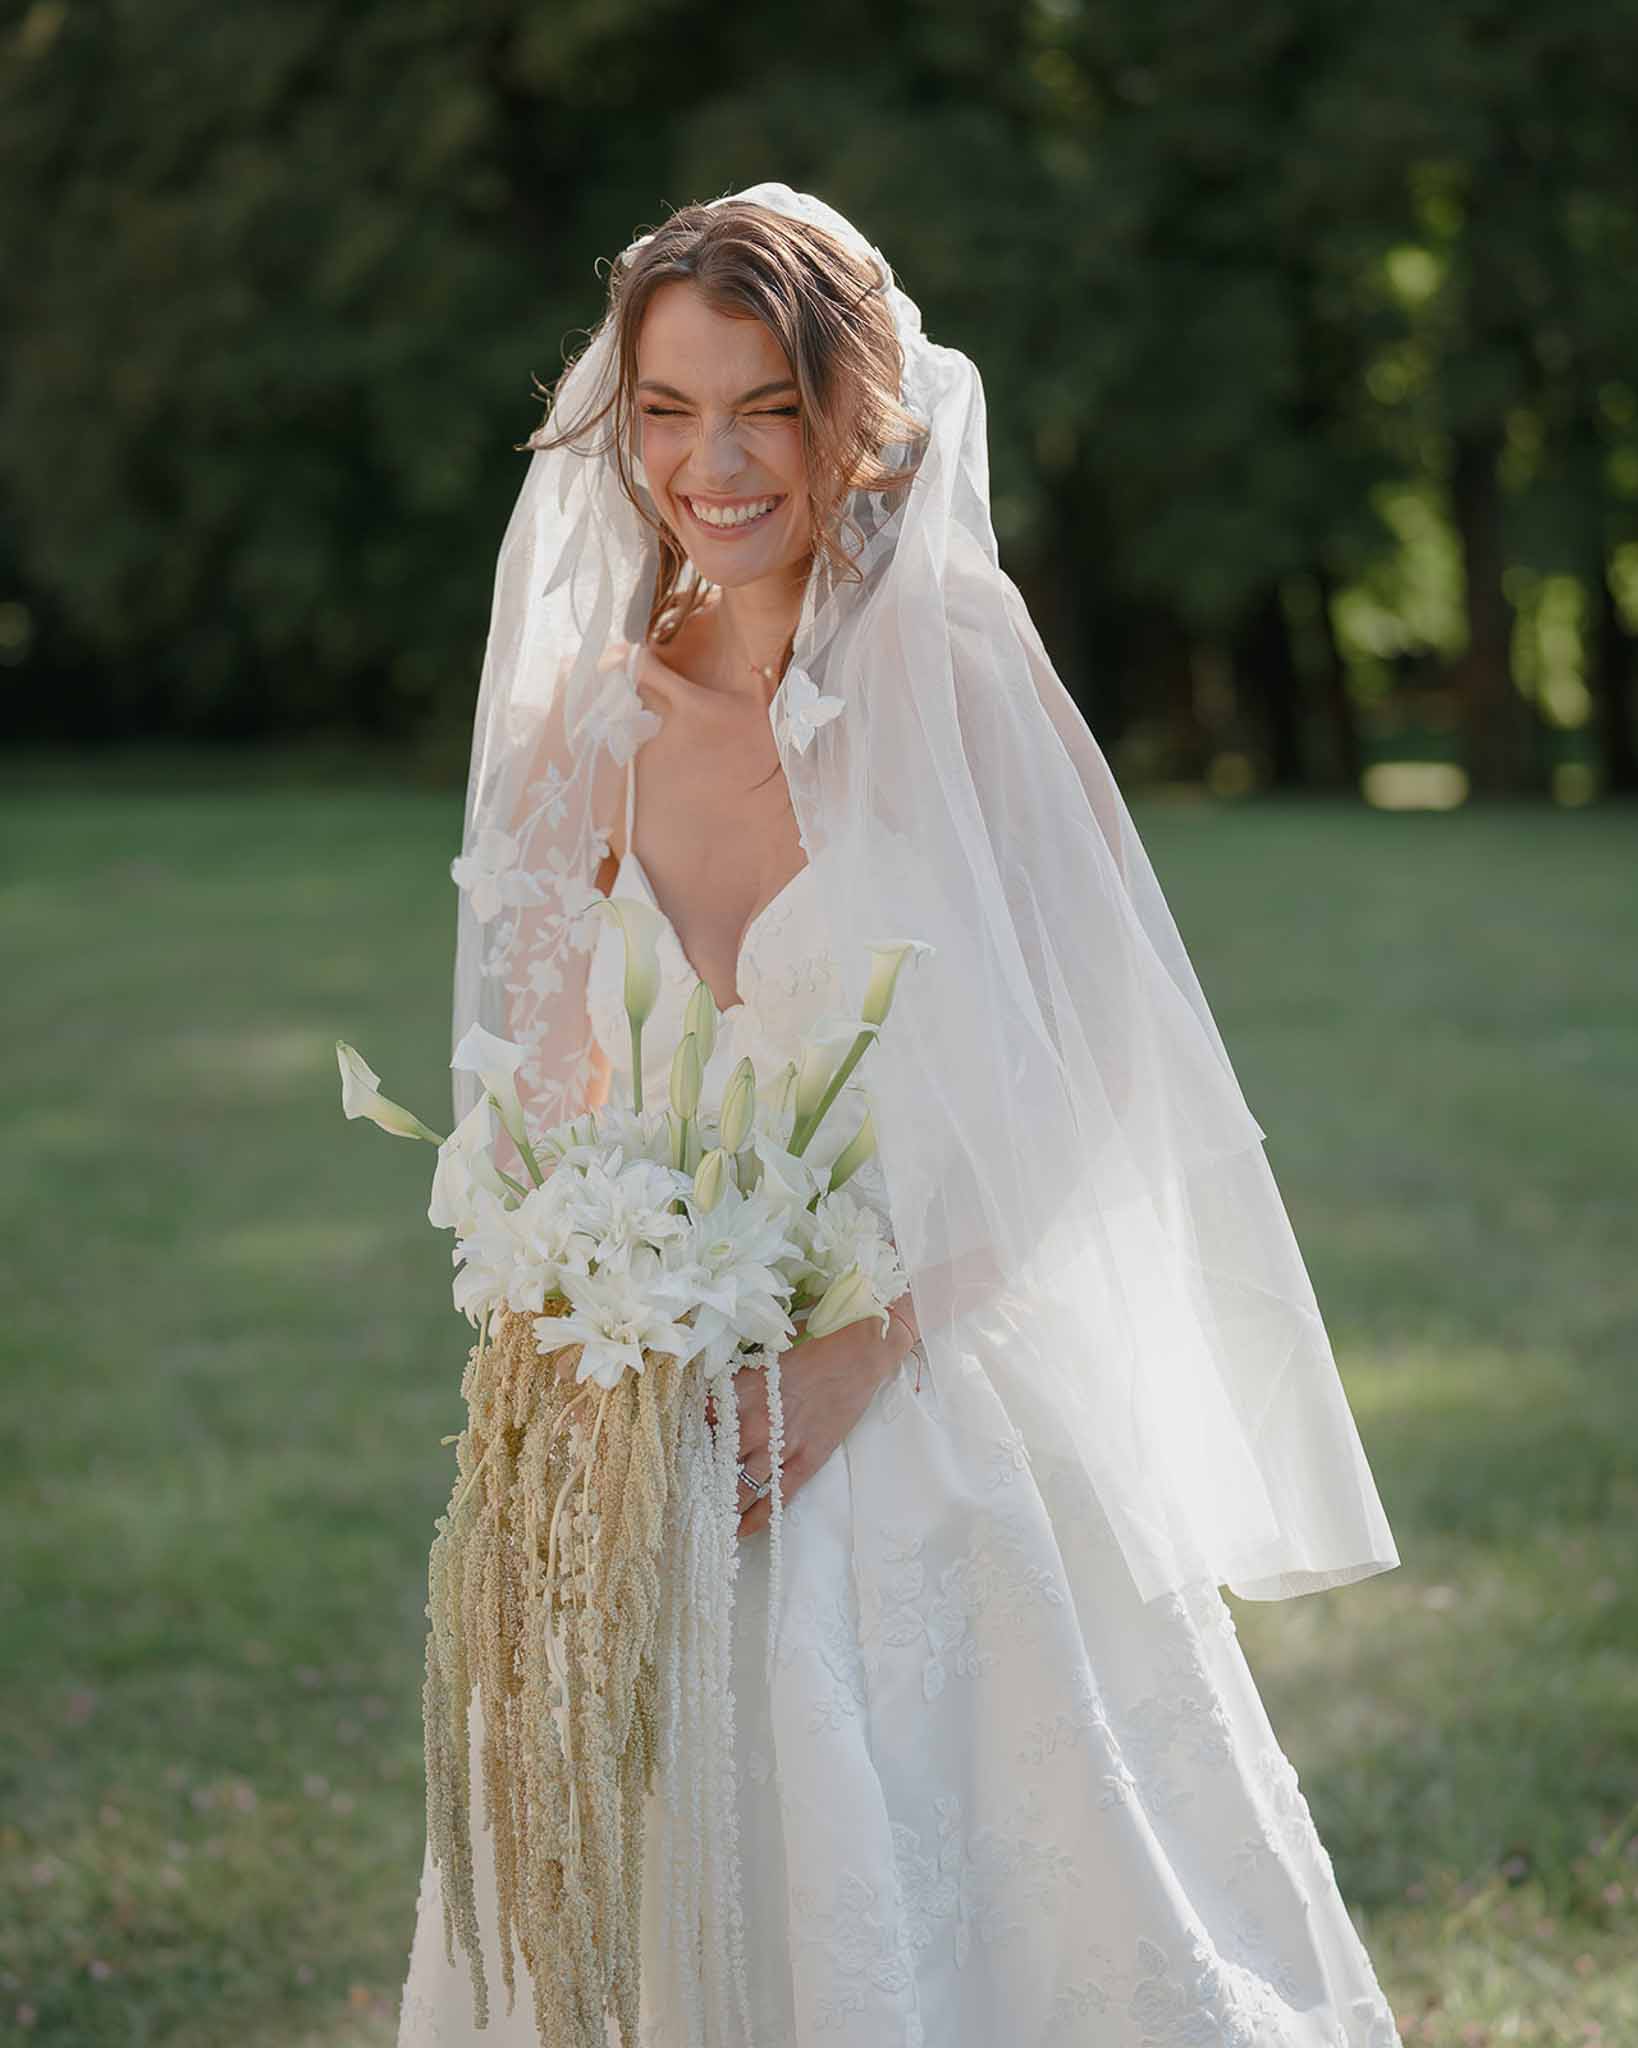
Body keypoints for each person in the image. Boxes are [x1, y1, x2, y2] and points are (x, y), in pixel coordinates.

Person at [397, 183, 1405, 2048]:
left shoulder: (955, 673)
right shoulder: (586, 728)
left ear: (849, 414)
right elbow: (528, 1113)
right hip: (647, 1430)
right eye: (669, 411)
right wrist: (583, 1343)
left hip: (923, 1392)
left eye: (763, 404)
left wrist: (864, 1349)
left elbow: (1107, 1073)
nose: (711, 462)